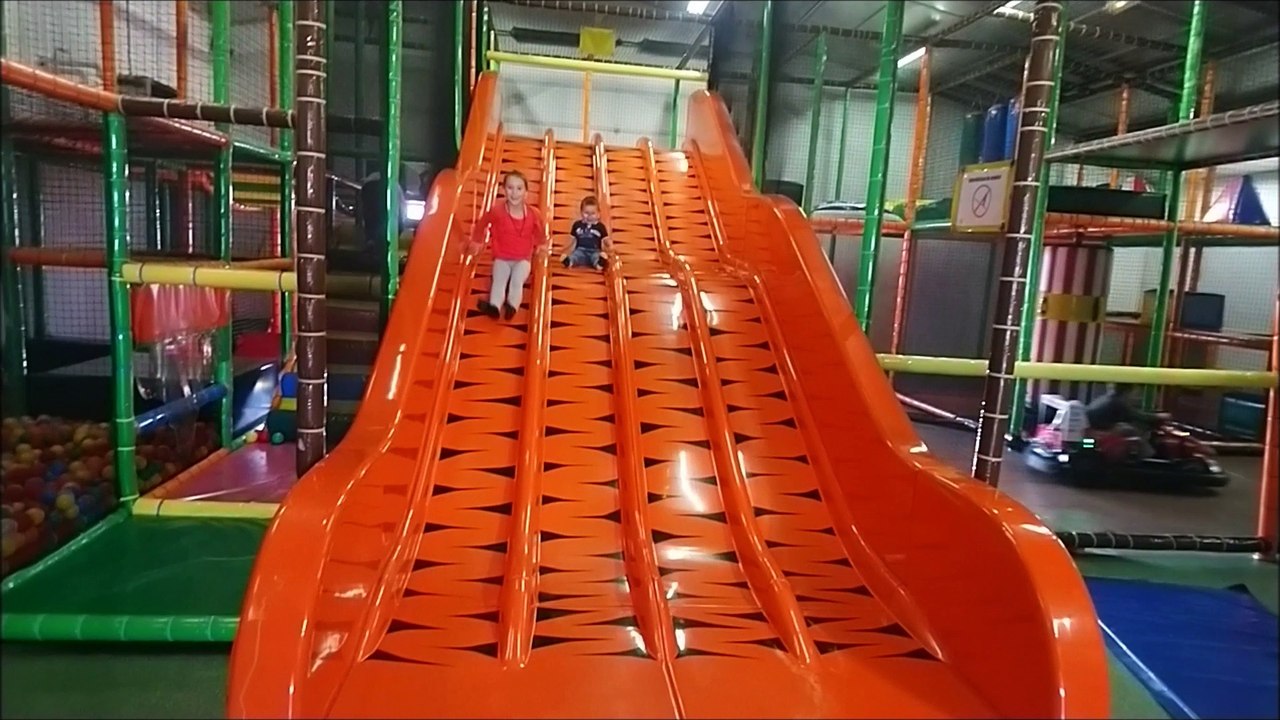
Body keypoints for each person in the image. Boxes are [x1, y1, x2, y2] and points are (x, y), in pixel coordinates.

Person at [472, 171, 546, 321]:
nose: (514, 193)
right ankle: (495, 306)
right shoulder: (497, 211)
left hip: (523, 259)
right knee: (499, 279)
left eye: (519, 189)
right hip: (502, 257)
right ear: (504, 190)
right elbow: (482, 223)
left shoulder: (533, 214)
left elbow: (540, 231)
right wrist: (477, 240)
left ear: (526, 192)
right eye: (510, 188)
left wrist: (541, 244)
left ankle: (512, 306)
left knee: (517, 280)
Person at [1085, 383, 1170, 459]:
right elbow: (1138, 416)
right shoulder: (1117, 402)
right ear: (1127, 391)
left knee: (1126, 428)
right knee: (1129, 430)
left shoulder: (1110, 398)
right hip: (1099, 432)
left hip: (1096, 429)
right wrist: (1158, 416)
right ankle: (1150, 457)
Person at [561, 195, 610, 270]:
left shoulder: (600, 227)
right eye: (586, 213)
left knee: (596, 257)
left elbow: (606, 240)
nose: (589, 216)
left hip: (595, 250)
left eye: (593, 213)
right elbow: (571, 239)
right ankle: (569, 261)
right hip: (581, 250)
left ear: (598, 214)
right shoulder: (577, 225)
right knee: (575, 256)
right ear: (581, 212)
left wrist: (611, 247)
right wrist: (564, 249)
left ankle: (599, 264)